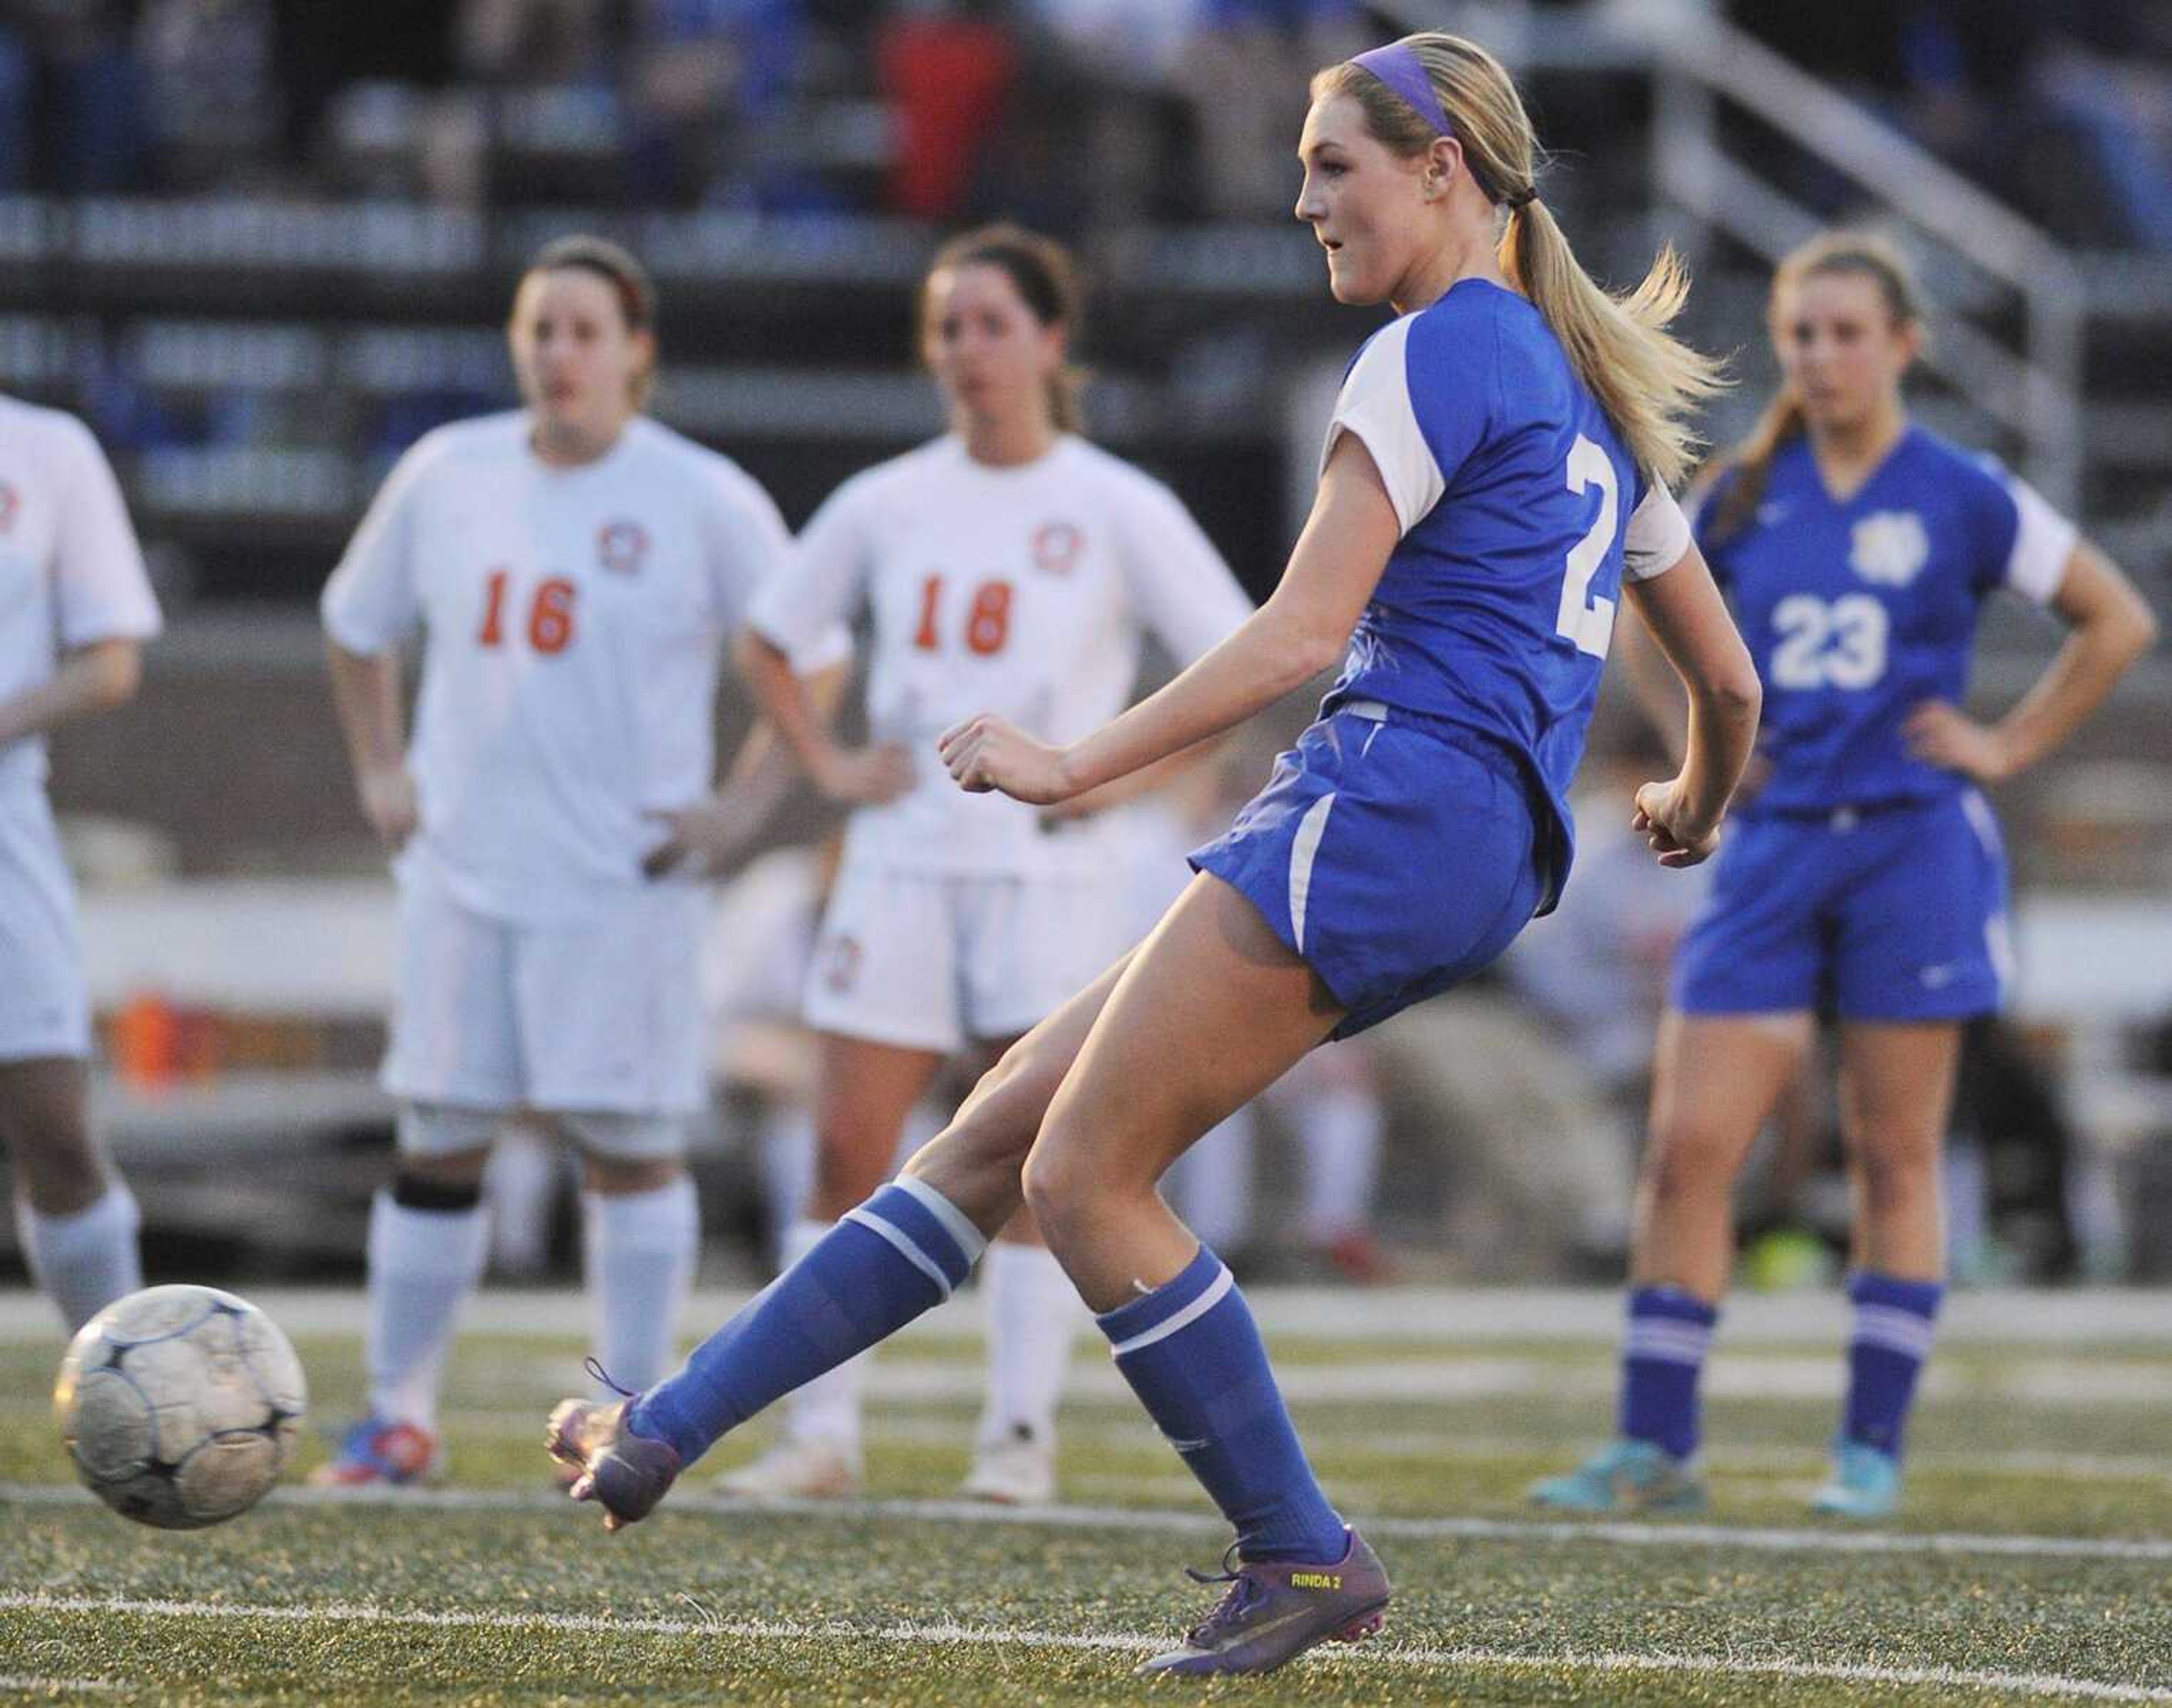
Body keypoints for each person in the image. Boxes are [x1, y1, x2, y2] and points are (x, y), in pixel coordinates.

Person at [549, 32, 1757, 1676]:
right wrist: (1697, 789)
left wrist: (1073, 763)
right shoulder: (1590, 389)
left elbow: (1296, 633)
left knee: (1079, 1178)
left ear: (1444, 170)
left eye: (1336, 164)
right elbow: (1730, 678)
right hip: (1458, 832)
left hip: (1392, 797)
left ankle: (1301, 1551)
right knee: (996, 1138)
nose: (1302, 196)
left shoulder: (1432, 351)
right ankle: (664, 1427)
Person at [1531, 231, 2158, 1523]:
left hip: (1911, 845)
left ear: (1903, 345)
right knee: (1691, 1146)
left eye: (1846, 332)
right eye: (1802, 333)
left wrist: (2006, 743)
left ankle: (1868, 1446)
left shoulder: (1962, 490)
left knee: (1894, 1153)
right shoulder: (1747, 497)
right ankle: (1657, 1444)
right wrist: (1714, 745)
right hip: (1771, 850)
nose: (1819, 356)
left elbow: (2118, 618)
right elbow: (1653, 611)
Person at [721, 222, 1255, 1507]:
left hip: (1046, 871)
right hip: (903, 859)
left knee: (1039, 1154)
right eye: (948, 326)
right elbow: (772, 635)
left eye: (991, 323)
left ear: (1050, 340)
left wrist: (1122, 779)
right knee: (848, 1144)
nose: (967, 350)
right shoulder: (885, 499)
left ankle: (1017, 1438)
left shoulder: (1115, 502)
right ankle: (821, 1437)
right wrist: (834, 766)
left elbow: (1237, 661)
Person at [316, 233, 841, 1485]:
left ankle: (628, 1417)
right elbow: (355, 624)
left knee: (628, 1142)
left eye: (584, 331)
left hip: (623, 882)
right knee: (441, 1132)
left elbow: (810, 654)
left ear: (636, 352)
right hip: (464, 871)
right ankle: (398, 1416)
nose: (558, 353)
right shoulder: (448, 472)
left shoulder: (701, 494)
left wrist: (739, 804)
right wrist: (381, 768)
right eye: (539, 328)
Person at [0, 393, 161, 1332]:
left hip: (6, 823)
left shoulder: (47, 450)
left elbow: (109, 662)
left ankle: (132, 1373)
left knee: (54, 1127)